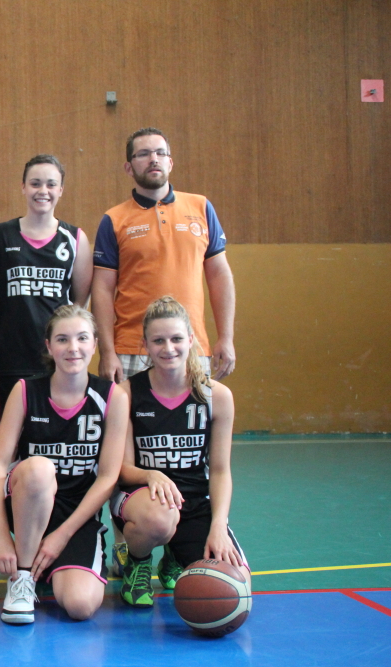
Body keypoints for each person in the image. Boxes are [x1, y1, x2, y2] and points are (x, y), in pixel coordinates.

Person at [92, 127, 237, 574]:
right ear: (128, 166)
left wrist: (226, 337)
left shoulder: (201, 208)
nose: (152, 159)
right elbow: (102, 288)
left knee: (187, 452)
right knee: (130, 454)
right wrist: (108, 350)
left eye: (160, 153)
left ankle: (179, 545)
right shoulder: (114, 219)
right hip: (131, 348)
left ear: (171, 161)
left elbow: (219, 275)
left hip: (189, 349)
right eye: (142, 154)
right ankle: (129, 550)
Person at [0, 305, 127, 624]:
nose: (73, 347)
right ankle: (23, 576)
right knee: (39, 469)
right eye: (62, 339)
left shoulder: (112, 397)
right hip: (29, 503)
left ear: (94, 344)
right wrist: (1, 533)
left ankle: (49, 565)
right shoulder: (25, 391)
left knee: (80, 605)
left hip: (76, 515)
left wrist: (62, 535)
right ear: (49, 346)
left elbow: (107, 478)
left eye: (82, 338)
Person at [112, 297, 249, 607]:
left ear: (190, 340)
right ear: (145, 345)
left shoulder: (216, 397)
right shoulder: (126, 394)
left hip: (194, 502)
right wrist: (151, 475)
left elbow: (220, 471)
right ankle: (138, 563)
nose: (168, 348)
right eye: (158, 341)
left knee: (235, 588)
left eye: (176, 339)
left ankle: (174, 556)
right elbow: (122, 469)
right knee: (159, 518)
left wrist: (218, 526)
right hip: (141, 502)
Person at [0, 155, 93, 414]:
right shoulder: (0, 235)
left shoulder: (75, 238)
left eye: (51, 184)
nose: (43, 191)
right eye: (35, 183)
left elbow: (79, 302)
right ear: (23, 187)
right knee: (13, 430)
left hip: (58, 357)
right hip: (13, 356)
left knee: (56, 427)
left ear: (61, 190)